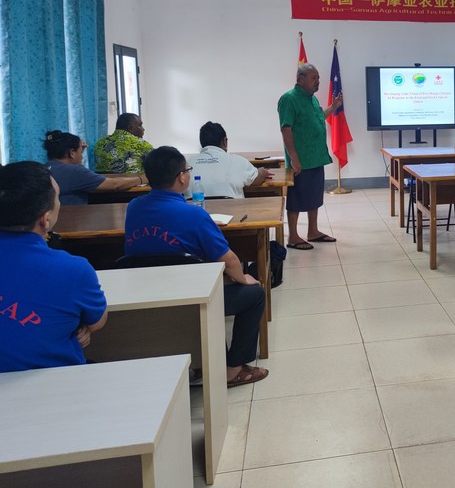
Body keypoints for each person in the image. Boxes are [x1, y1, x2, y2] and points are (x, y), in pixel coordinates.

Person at [124, 146, 268, 387]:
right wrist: (243, 278)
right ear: (182, 177)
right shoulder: (193, 215)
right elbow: (229, 260)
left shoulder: (133, 208)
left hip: (146, 294)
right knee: (254, 294)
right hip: (190, 297)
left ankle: (201, 363)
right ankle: (234, 370)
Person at [0, 162, 107, 372]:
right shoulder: (72, 270)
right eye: (57, 198)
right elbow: (96, 321)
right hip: (52, 390)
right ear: (46, 219)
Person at [278, 63, 341, 250]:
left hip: (316, 157)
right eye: (314, 78)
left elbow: (319, 117)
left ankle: (313, 231)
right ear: (300, 79)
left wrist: (333, 106)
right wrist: (294, 158)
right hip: (301, 160)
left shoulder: (312, 99)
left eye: (318, 78)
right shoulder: (288, 99)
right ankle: (293, 236)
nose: (318, 82)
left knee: (314, 196)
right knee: (296, 199)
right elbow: (286, 128)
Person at [44, 130, 146, 205]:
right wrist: (141, 179)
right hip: (71, 224)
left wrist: (77, 153)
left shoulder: (45, 168)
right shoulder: (74, 172)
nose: (82, 155)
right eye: (80, 152)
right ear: (71, 153)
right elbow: (115, 185)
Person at [188, 122, 267, 199]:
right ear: (225, 141)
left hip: (196, 211)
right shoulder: (237, 161)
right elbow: (257, 179)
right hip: (232, 212)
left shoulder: (188, 164)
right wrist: (263, 171)